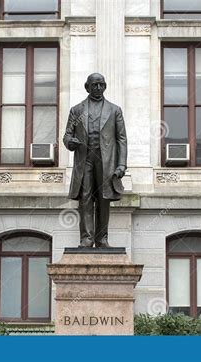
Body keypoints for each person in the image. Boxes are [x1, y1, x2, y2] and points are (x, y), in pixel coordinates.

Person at [63, 73, 127, 248]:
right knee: (85, 198)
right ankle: (86, 238)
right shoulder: (77, 110)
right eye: (95, 85)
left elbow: (121, 139)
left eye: (101, 85)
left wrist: (121, 164)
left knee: (103, 199)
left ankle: (102, 238)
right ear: (87, 87)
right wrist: (70, 142)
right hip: (85, 159)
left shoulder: (115, 110)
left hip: (106, 161)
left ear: (105, 86)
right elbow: (67, 135)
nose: (98, 88)